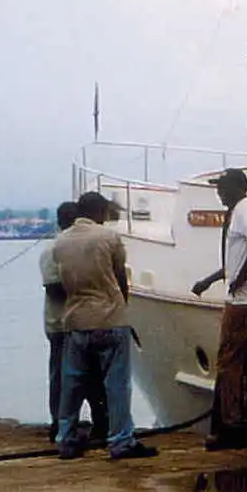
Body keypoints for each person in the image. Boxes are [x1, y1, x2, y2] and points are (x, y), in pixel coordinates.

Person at [52, 191, 156, 460]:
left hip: (75, 319)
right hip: (109, 318)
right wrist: (122, 305)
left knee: (72, 384)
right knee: (117, 385)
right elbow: (120, 275)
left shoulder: (60, 242)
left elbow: (63, 280)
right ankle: (120, 440)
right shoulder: (108, 237)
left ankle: (66, 438)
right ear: (99, 212)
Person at [192, 168, 247, 450]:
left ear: (236, 188)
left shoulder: (245, 209)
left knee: (228, 361)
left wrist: (239, 278)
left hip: (246, 300)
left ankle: (229, 425)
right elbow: (237, 258)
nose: (218, 193)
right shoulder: (243, 210)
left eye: (222, 187)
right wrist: (210, 280)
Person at [39, 200, 105, 442]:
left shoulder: (79, 248)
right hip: (60, 324)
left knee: (88, 375)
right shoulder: (52, 251)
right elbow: (53, 289)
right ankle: (59, 423)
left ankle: (96, 422)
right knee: (62, 376)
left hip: (81, 322)